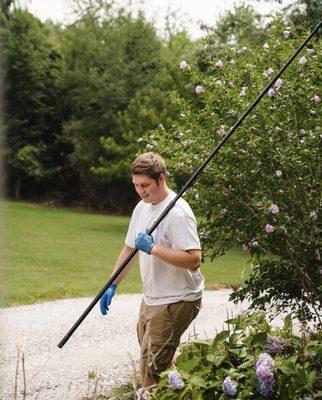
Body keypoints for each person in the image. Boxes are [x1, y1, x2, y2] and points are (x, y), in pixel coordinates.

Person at [99, 152, 204, 392]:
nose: (140, 191)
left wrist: (154, 248)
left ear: (161, 179)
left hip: (178, 298)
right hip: (154, 297)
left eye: (145, 185)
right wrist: (112, 284)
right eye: (136, 185)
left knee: (150, 371)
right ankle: (192, 382)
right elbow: (129, 248)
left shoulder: (178, 213)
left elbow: (194, 259)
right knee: (155, 354)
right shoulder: (142, 208)